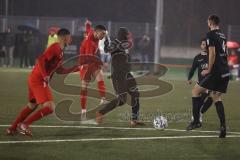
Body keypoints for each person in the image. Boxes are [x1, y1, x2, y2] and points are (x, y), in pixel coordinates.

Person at [6, 28, 79, 137]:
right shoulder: (55, 48)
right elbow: (40, 60)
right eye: (70, 37)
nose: (71, 39)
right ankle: (25, 124)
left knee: (32, 106)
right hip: (39, 79)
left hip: (34, 77)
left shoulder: (60, 51)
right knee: (50, 107)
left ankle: (12, 128)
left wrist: (77, 68)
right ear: (64, 37)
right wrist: (45, 75)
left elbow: (60, 70)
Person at [186, 15, 230, 138]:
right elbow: (225, 54)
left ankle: (196, 122)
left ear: (210, 23)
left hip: (216, 71)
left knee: (195, 91)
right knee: (217, 98)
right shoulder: (223, 35)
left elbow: (213, 53)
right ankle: (223, 127)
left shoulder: (210, 34)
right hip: (225, 71)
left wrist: (209, 69)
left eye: (207, 21)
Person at [96, 27, 144, 127]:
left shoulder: (121, 44)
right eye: (128, 34)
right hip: (118, 75)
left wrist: (110, 43)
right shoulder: (116, 43)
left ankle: (134, 119)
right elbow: (106, 49)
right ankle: (101, 112)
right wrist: (106, 41)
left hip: (127, 74)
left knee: (135, 94)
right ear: (123, 35)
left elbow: (127, 44)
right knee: (122, 100)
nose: (129, 36)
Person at [79, 22, 107, 120]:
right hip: (85, 63)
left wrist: (87, 24)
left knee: (100, 76)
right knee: (84, 87)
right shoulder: (90, 43)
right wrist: (102, 63)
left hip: (92, 61)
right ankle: (83, 111)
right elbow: (89, 57)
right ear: (97, 32)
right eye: (103, 34)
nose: (104, 36)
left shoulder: (92, 33)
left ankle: (103, 100)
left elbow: (88, 29)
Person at [187, 38, 213, 123]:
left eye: (206, 44)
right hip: (200, 83)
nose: (205, 46)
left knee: (211, 99)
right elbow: (193, 69)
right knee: (199, 99)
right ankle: (196, 115)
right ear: (200, 46)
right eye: (203, 44)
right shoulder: (197, 58)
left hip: (210, 82)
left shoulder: (212, 56)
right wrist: (189, 78)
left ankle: (200, 113)